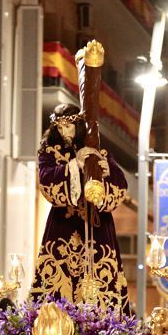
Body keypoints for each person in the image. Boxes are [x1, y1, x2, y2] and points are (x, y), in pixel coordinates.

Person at [29, 103, 130, 311]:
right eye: (59, 127)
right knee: (56, 285)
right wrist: (75, 166)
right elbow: (47, 183)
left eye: (68, 126)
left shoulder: (99, 150)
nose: (63, 131)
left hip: (98, 230)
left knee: (103, 290)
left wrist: (104, 174)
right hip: (62, 228)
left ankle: (106, 334)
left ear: (79, 125)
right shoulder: (50, 153)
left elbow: (120, 186)